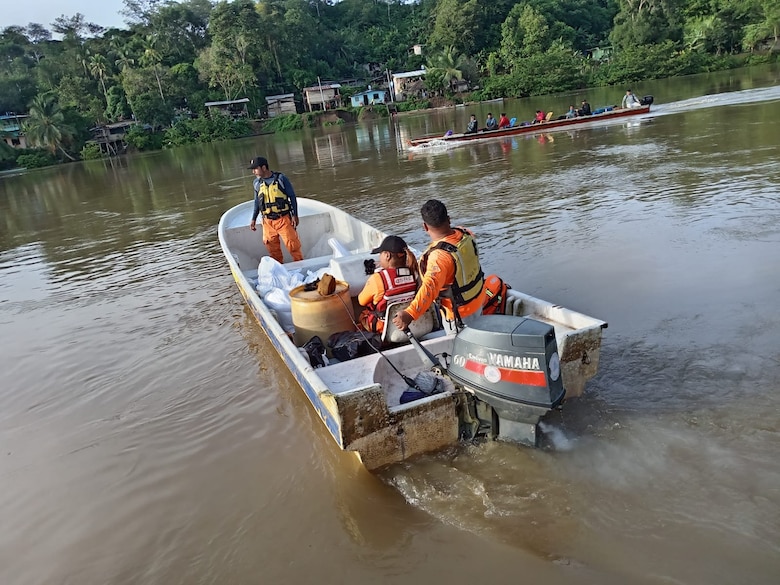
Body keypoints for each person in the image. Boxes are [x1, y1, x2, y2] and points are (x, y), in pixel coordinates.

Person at [392, 199, 485, 333]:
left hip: (459, 314)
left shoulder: (439, 257)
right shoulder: (465, 233)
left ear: (425, 227)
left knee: (461, 351)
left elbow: (429, 289)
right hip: (477, 300)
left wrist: (409, 314)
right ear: (448, 219)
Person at [358, 235, 419, 334]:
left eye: (380, 254)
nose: (379, 257)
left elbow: (361, 301)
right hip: (414, 325)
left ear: (387, 256)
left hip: (386, 331)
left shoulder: (378, 278)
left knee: (362, 315)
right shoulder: (414, 272)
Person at [249, 156, 303, 263]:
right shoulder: (257, 183)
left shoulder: (281, 179)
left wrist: (294, 215)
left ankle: (301, 266)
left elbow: (292, 197)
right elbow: (257, 202)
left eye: (255, 169)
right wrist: (253, 219)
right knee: (273, 250)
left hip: (283, 219)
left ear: (264, 168)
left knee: (293, 246)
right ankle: (279, 271)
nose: (253, 172)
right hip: (267, 222)